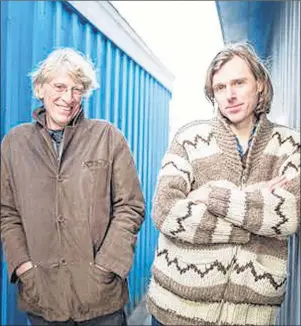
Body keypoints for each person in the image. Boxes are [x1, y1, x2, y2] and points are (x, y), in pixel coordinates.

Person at [146, 42, 300, 325]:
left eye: (239, 82)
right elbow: (166, 212)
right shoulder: (188, 138)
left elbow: (290, 215)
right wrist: (255, 213)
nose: (229, 95)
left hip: (249, 314)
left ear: (261, 84)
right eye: (220, 87)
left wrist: (207, 195)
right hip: (176, 308)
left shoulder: (290, 145)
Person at [1, 48, 145, 326]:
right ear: (40, 88)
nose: (68, 98)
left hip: (100, 297)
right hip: (42, 295)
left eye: (77, 89)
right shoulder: (14, 144)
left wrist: (107, 266)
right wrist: (24, 267)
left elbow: (130, 206)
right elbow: (6, 212)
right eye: (60, 86)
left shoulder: (108, 137)